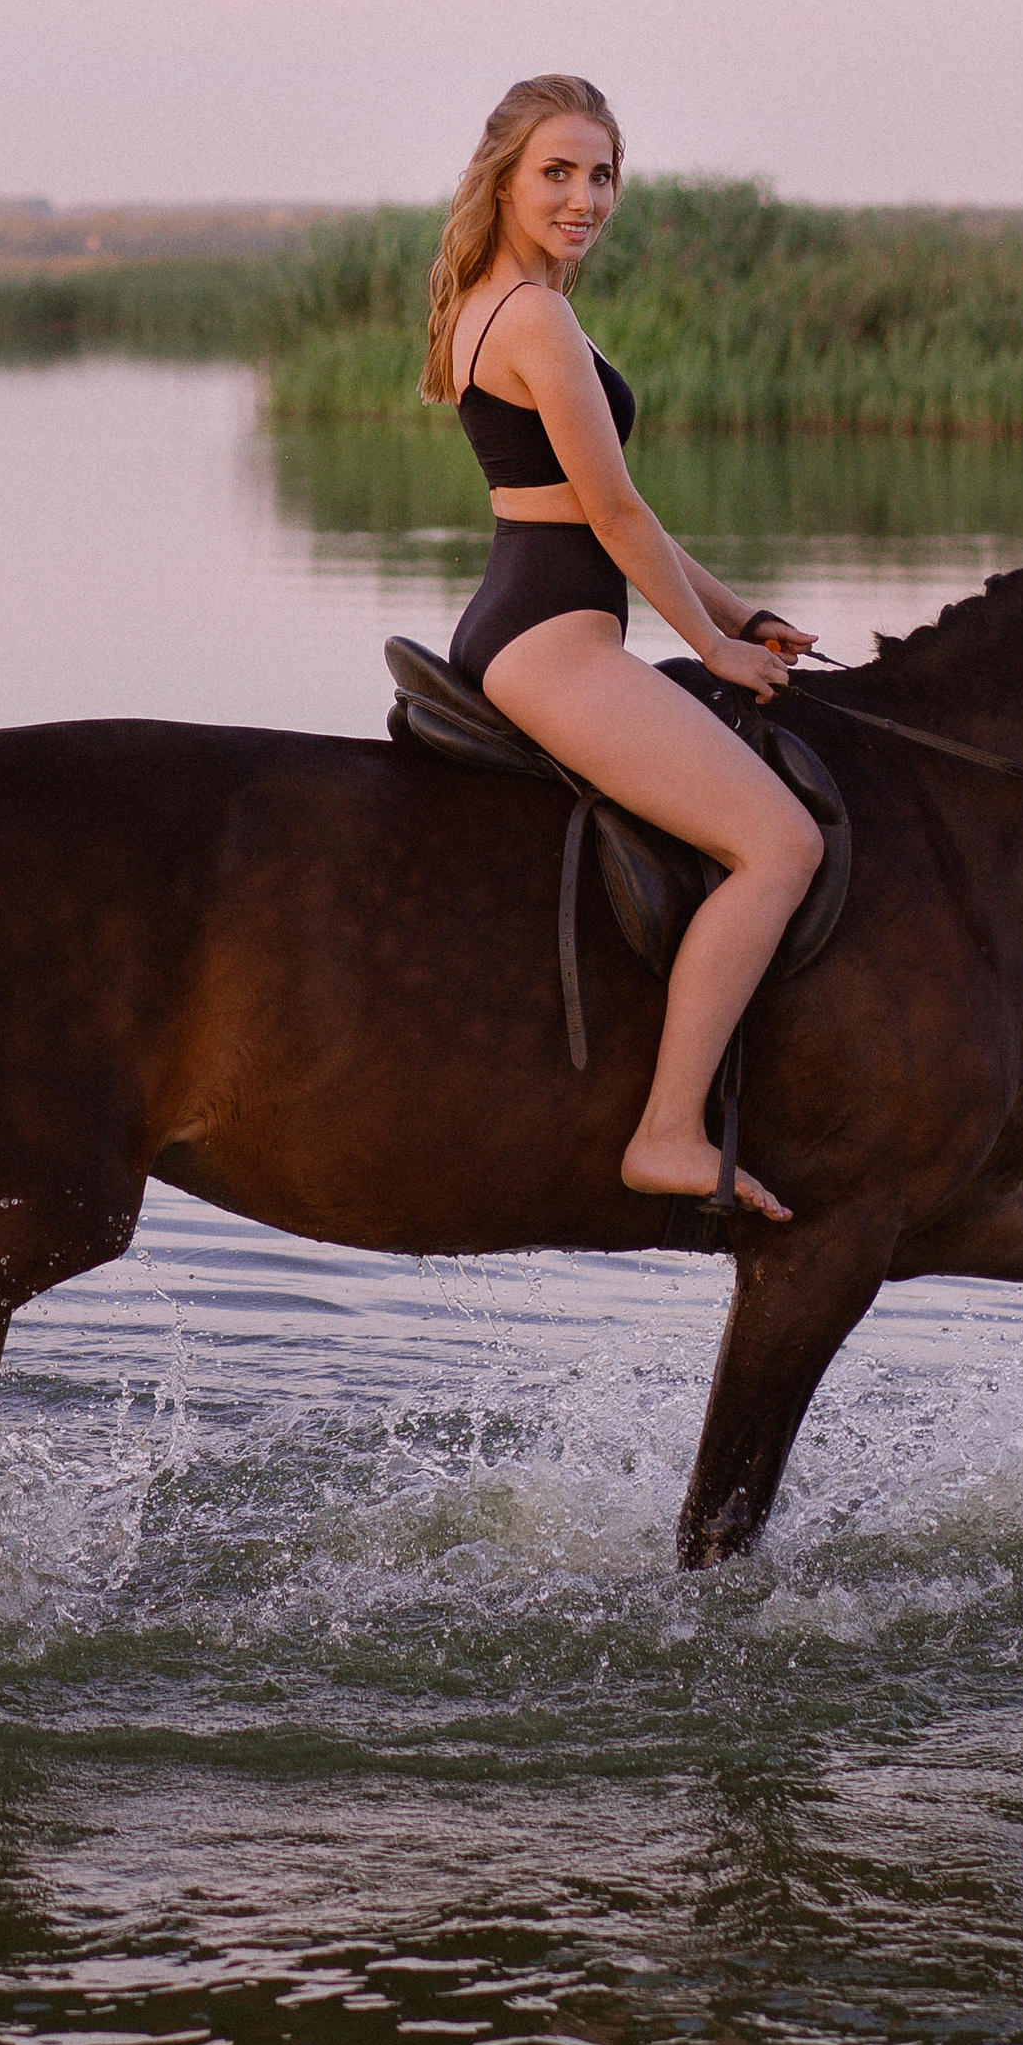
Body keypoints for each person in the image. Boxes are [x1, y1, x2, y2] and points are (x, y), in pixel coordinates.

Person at [424, 74, 823, 1221]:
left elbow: (603, 507)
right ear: (503, 179)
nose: (584, 198)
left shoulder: (502, 303)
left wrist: (736, 614)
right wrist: (711, 646)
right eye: (556, 172)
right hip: (552, 645)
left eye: (600, 175)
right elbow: (611, 512)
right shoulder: (533, 317)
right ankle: (665, 1132)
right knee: (779, 846)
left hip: (537, 622)